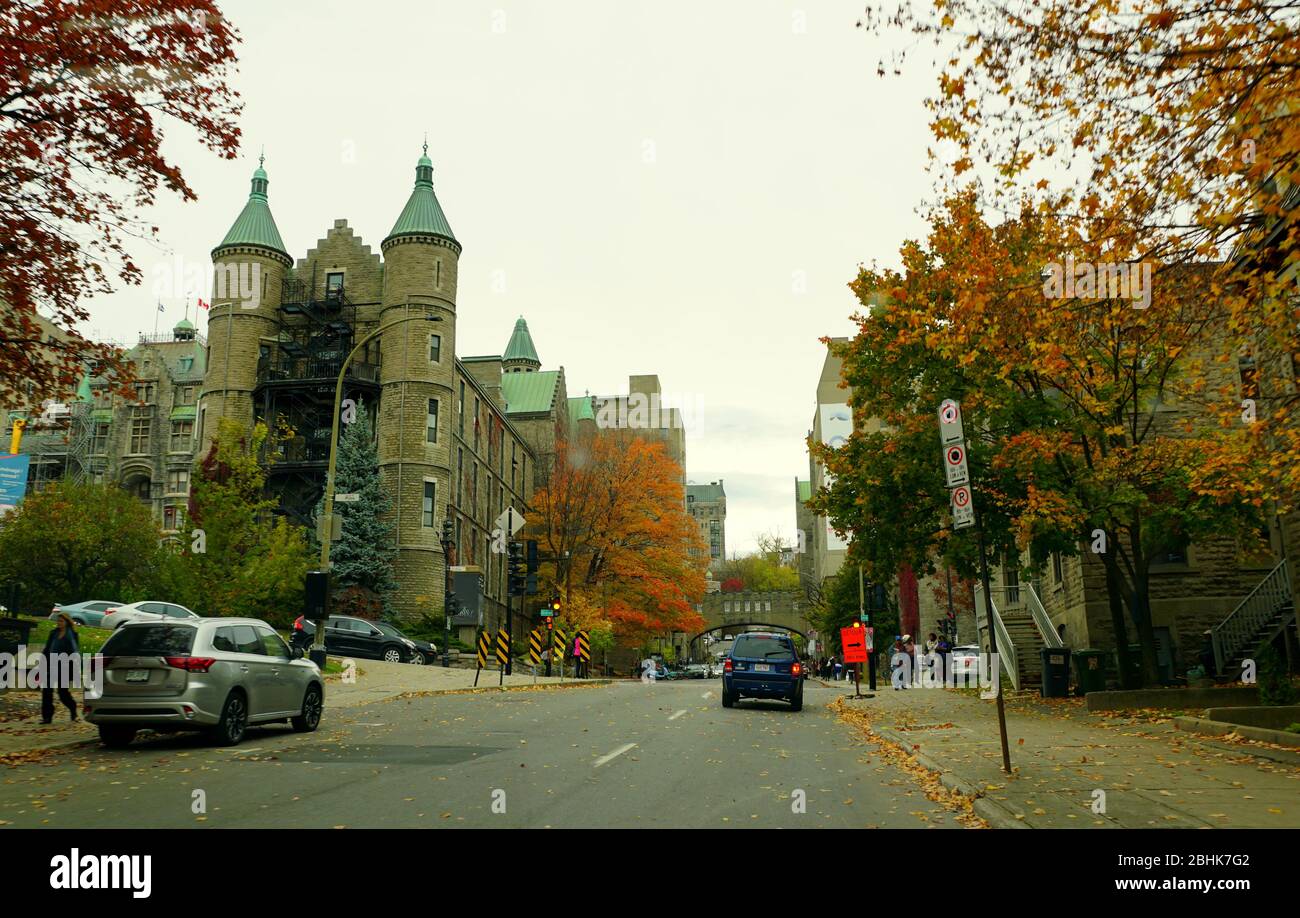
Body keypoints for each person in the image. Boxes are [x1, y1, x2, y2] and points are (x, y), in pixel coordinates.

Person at [42, 612, 80, 724]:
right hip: (51, 666)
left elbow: (75, 652)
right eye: (58, 621)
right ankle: (47, 717)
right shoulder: (53, 633)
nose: (58, 623)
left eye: (61, 621)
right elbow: (47, 649)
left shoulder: (71, 635)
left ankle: (72, 707)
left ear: (67, 623)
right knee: (47, 691)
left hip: (65, 667)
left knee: (62, 693)